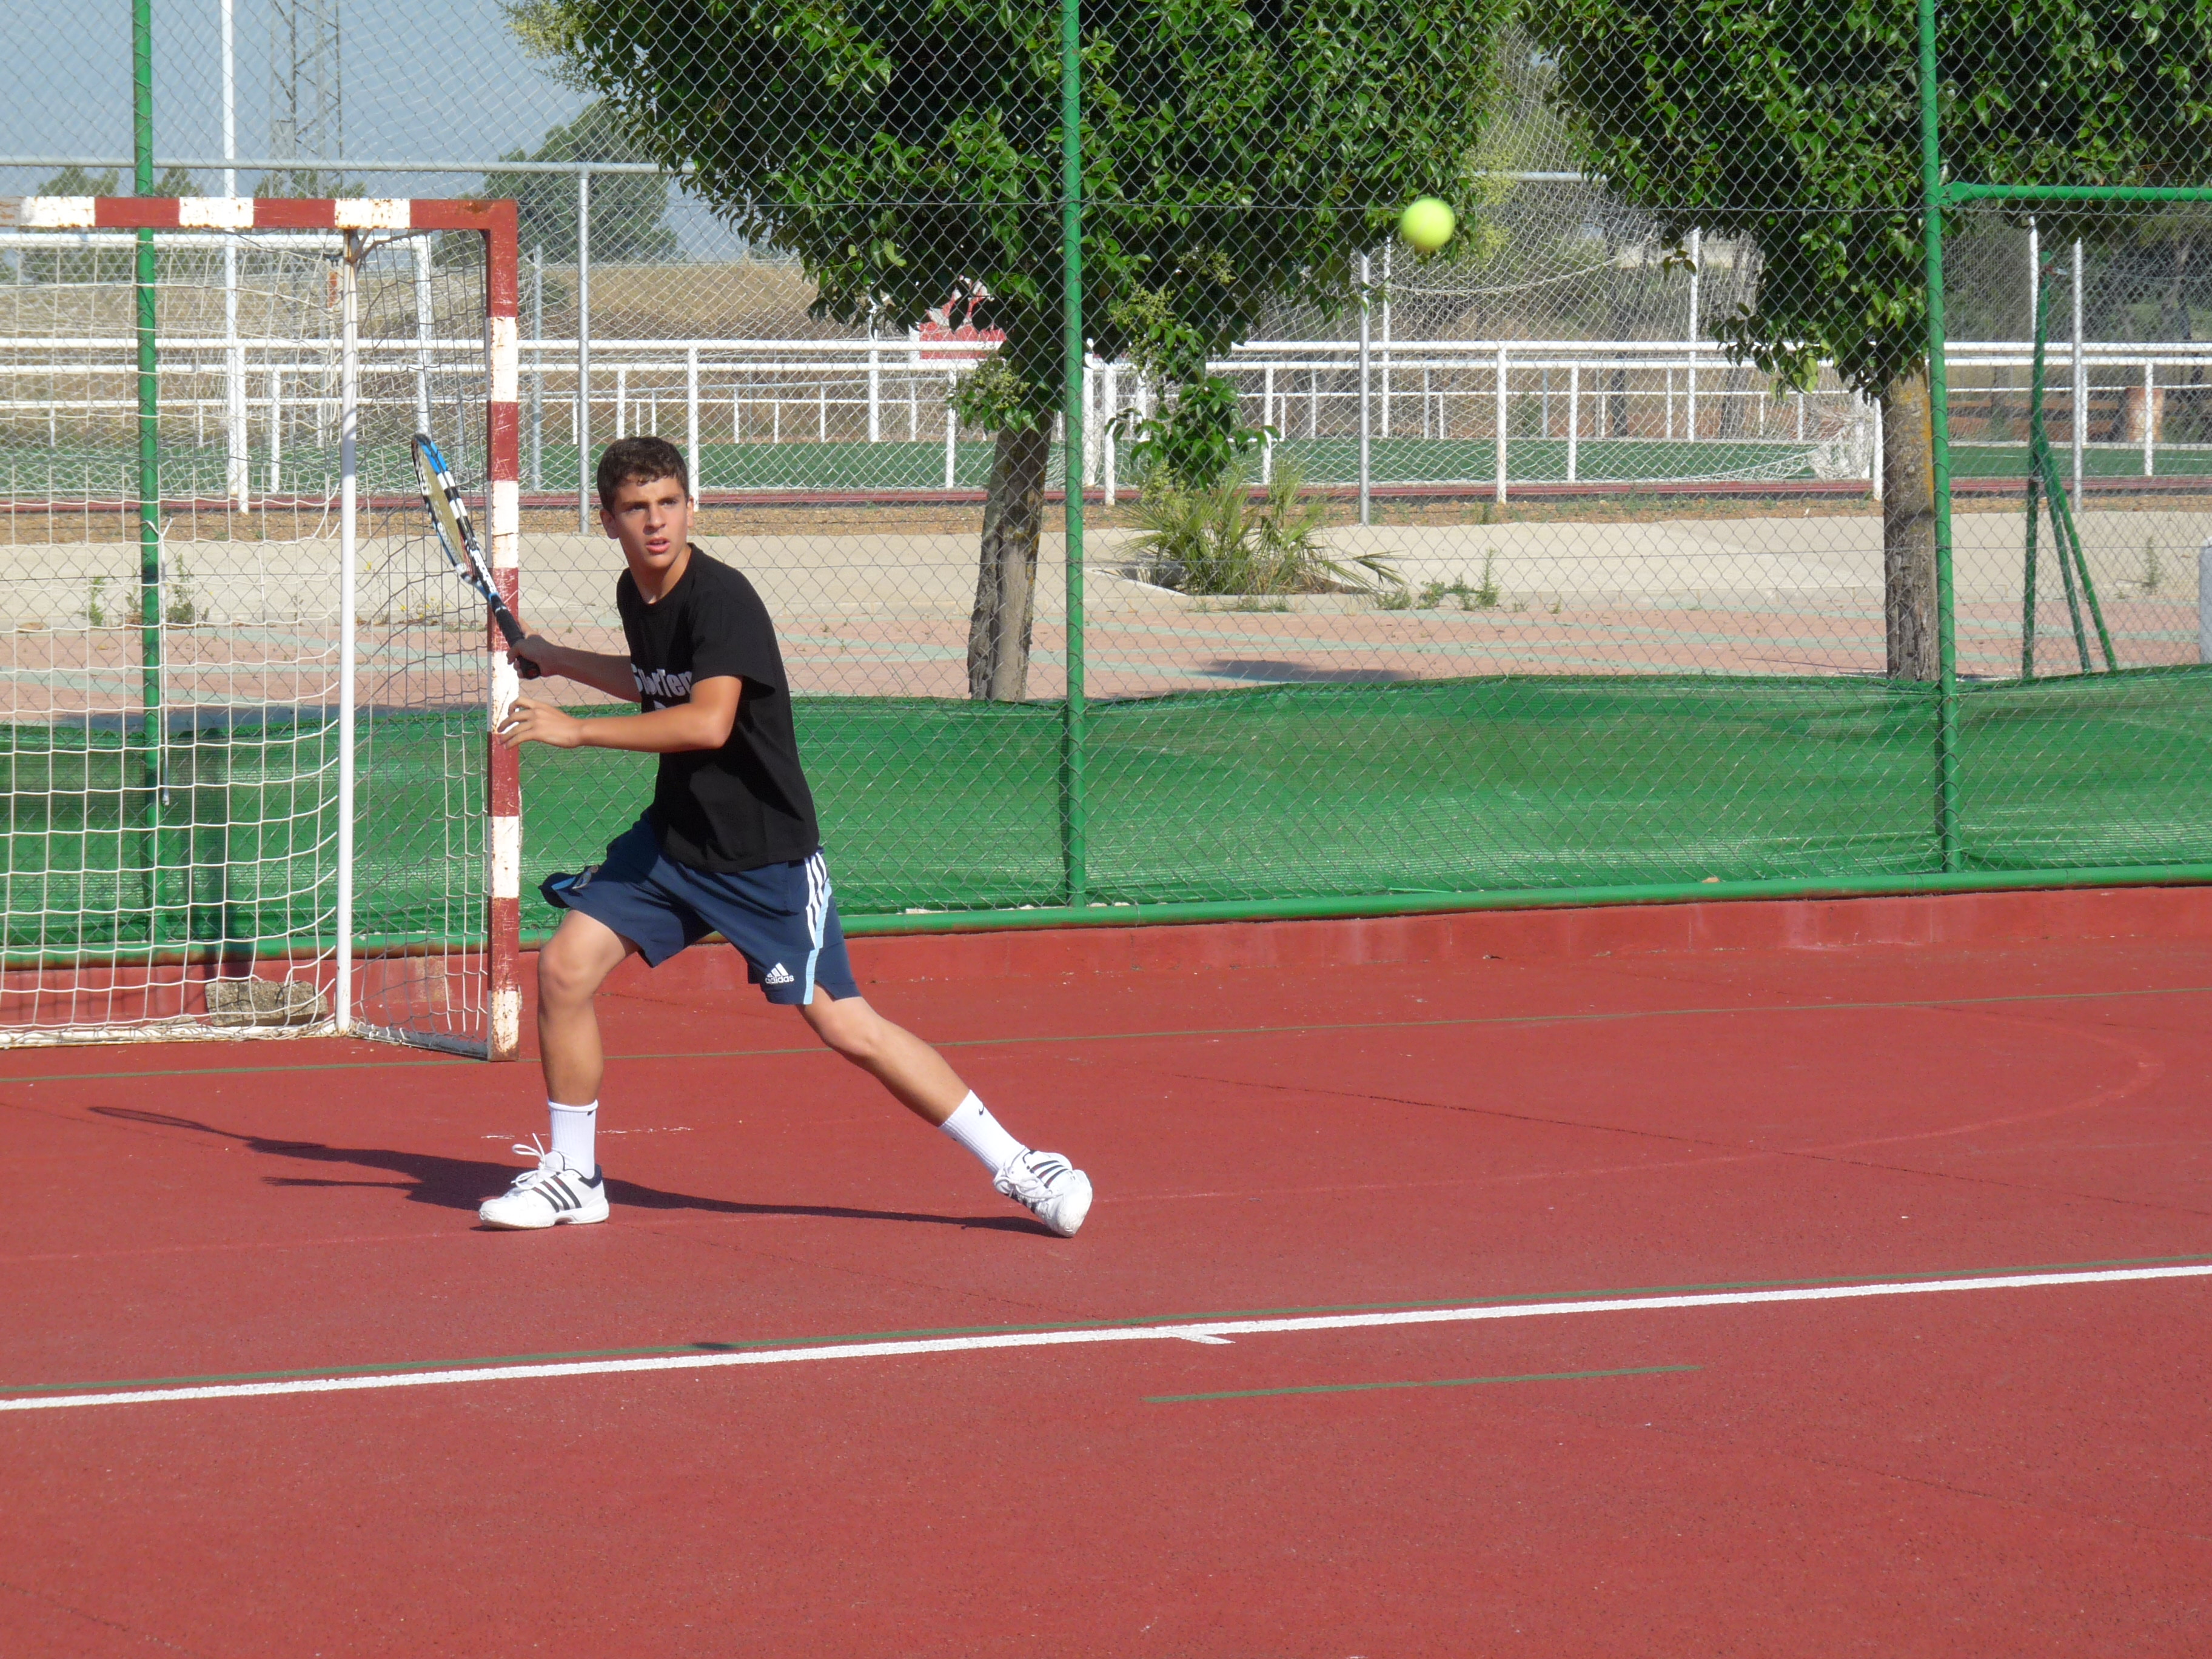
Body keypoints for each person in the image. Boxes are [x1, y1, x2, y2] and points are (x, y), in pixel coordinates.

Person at [478, 435, 1092, 1237]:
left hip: (763, 857)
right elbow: (656, 682)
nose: (656, 522)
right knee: (563, 970)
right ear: (608, 521)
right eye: (636, 509)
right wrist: (558, 657)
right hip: (675, 843)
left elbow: (708, 720)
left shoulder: (721, 599)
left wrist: (577, 731)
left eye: (669, 503)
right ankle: (575, 1176)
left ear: (691, 507)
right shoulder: (638, 591)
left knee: (846, 1025)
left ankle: (1023, 1164)